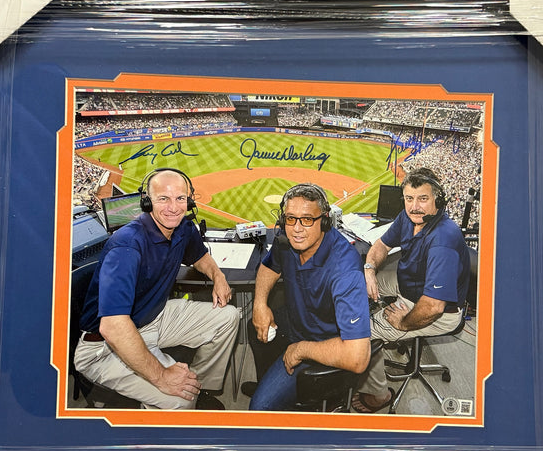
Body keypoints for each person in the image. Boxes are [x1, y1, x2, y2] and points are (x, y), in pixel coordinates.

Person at [74, 168, 239, 409]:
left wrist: (218, 276)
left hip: (153, 318)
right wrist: (162, 376)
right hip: (105, 347)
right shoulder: (127, 246)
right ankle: (179, 401)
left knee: (228, 317)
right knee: (180, 399)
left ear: (189, 201)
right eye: (163, 198)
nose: (173, 207)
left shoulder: (182, 228)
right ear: (147, 202)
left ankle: (199, 386)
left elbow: (200, 257)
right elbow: (113, 327)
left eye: (180, 198)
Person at [352, 168, 470, 413]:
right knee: (356, 285)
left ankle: (379, 395)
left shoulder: (443, 240)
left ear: (438, 200)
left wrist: (403, 323)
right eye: (409, 198)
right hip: (410, 283)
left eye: (423, 199)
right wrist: (369, 270)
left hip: (436, 309)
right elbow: (382, 244)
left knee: (361, 333)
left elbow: (433, 306)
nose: (414, 206)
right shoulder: (408, 218)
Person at [248, 183, 371, 411]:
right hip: (297, 322)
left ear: (324, 221)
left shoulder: (345, 270)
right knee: (254, 327)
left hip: (324, 344)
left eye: (307, 219)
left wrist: (301, 349)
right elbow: (269, 267)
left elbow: (358, 357)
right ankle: (269, 384)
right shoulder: (286, 239)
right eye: (290, 218)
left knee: (259, 409)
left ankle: (292, 401)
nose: (296, 229)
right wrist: (260, 304)